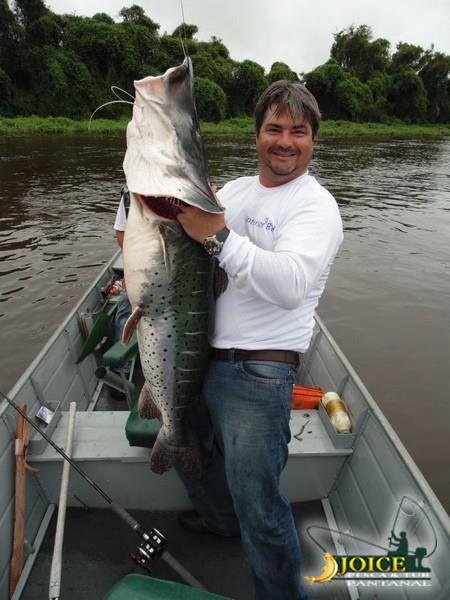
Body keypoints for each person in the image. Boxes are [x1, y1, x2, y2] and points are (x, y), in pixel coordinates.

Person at [174, 80, 343, 600]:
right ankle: (220, 520)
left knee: (261, 508)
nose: (284, 141)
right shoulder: (234, 192)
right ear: (257, 135)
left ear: (313, 139)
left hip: (258, 373)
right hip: (198, 354)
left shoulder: (316, 206)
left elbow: (290, 285)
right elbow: (187, 235)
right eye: (274, 128)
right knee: (186, 449)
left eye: (298, 131)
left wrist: (217, 234)